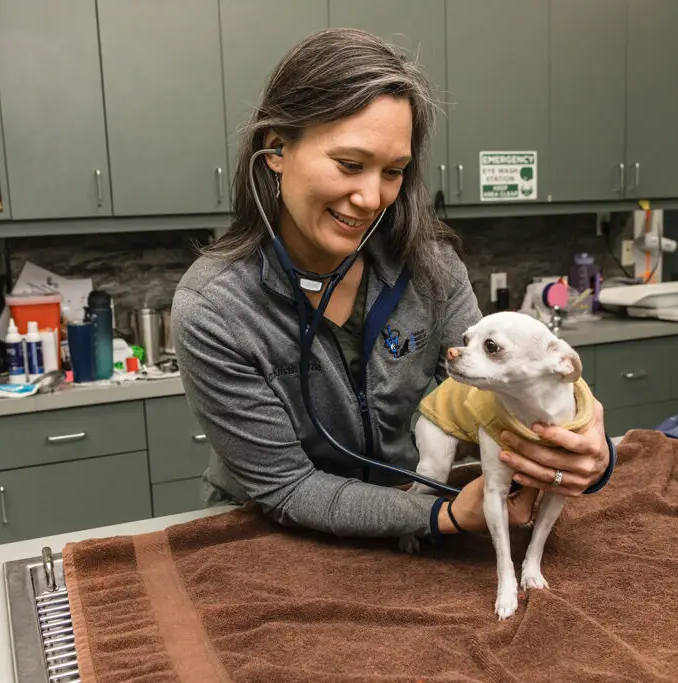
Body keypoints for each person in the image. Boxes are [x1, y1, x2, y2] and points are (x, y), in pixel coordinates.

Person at [172, 28, 615, 543]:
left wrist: (586, 440)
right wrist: (442, 516)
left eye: (393, 171)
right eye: (350, 165)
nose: (370, 197)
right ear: (275, 150)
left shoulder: (431, 269)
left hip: (406, 517)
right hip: (266, 537)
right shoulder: (214, 309)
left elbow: (494, 382)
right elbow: (288, 489)